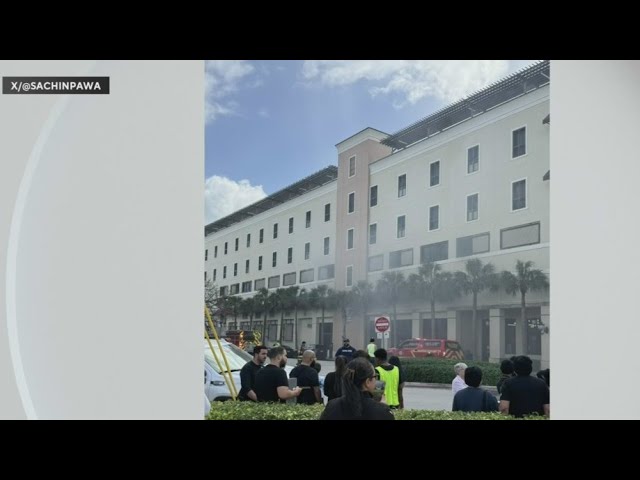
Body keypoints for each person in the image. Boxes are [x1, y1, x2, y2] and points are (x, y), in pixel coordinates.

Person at [320, 358, 394, 420]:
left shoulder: (332, 406)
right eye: (375, 376)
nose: (376, 380)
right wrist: (384, 408)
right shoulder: (381, 411)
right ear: (368, 382)